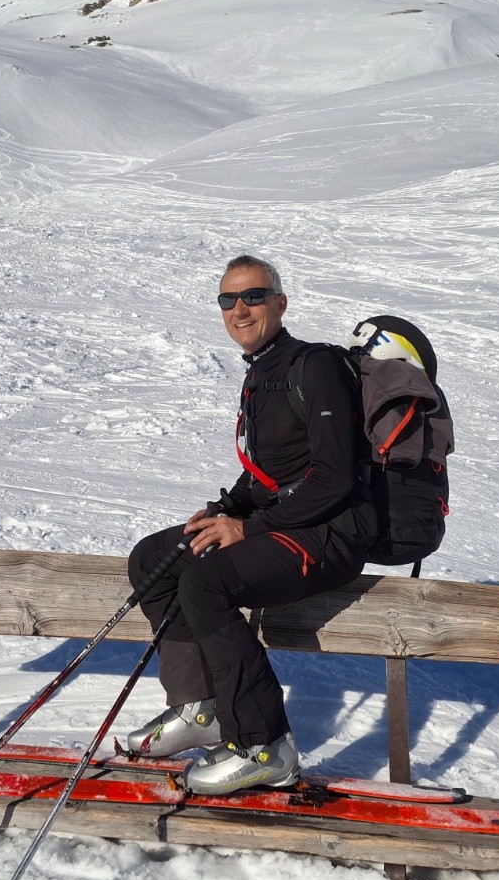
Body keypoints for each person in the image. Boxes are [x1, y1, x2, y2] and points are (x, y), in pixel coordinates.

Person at [122, 255, 374, 795]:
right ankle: (201, 708)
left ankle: (267, 746)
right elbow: (270, 473)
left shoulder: (317, 367)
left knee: (207, 581)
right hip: (286, 525)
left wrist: (246, 530)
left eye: (254, 296)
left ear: (280, 303)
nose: (240, 309)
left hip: (330, 533)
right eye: (227, 300)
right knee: (154, 559)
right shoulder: (264, 372)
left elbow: (333, 479)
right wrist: (226, 511)